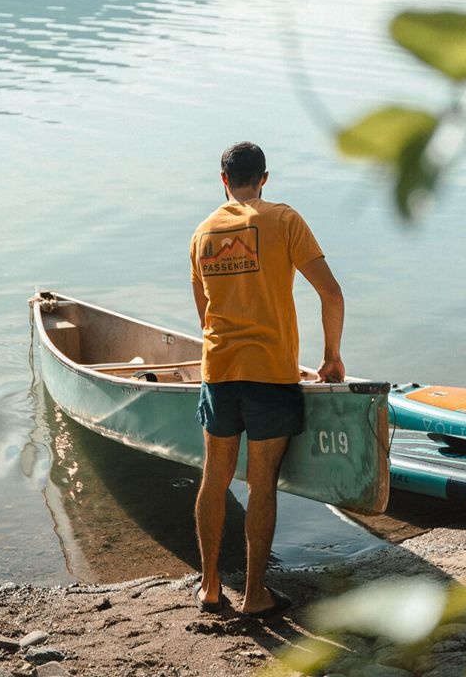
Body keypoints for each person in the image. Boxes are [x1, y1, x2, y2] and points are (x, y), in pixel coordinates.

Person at [189, 141, 345, 619]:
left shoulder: (202, 234)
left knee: (214, 478)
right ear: (265, 178)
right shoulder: (283, 220)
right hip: (270, 376)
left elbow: (206, 318)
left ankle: (211, 587)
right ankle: (256, 594)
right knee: (261, 485)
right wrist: (331, 358)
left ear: (223, 181)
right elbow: (331, 293)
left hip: (219, 372)